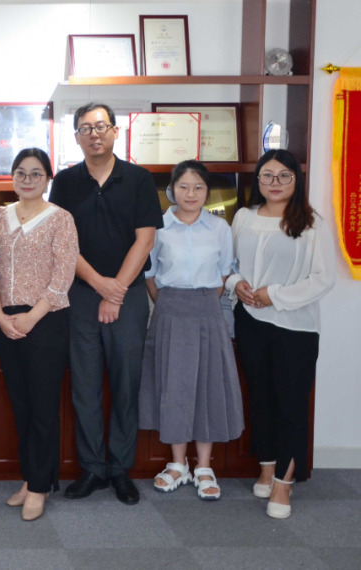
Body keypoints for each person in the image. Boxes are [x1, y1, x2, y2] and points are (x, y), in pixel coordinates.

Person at [49, 103, 162, 505]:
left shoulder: (139, 179)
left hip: (128, 297)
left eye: (101, 126)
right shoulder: (65, 182)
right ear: (76, 137)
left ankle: (120, 468)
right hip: (80, 295)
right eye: (85, 128)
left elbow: (145, 240)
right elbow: (63, 244)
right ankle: (93, 467)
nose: (94, 134)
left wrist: (116, 291)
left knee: (126, 383)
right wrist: (99, 285)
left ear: (115, 131)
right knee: (84, 386)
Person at [226, 149, 335, 519]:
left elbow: (323, 278)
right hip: (250, 321)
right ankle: (267, 466)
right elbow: (230, 264)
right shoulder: (244, 217)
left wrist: (274, 295)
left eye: (284, 175)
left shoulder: (311, 222)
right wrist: (237, 283)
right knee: (261, 397)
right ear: (257, 180)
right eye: (268, 175)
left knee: (291, 404)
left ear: (296, 180)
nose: (275, 183)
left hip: (295, 327)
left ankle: (284, 484)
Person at [138, 160, 244, 501]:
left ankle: (204, 466)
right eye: (183, 186)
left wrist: (200, 302)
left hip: (207, 311)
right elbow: (149, 274)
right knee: (174, 387)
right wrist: (171, 303)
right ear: (171, 190)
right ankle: (177, 464)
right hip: (169, 310)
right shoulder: (158, 226)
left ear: (207, 192)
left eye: (198, 187)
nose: (191, 193)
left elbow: (224, 272)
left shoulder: (220, 228)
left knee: (207, 386)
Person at [0, 148, 78, 522]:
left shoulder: (61, 218)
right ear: (12, 177)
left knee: (43, 406)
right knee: (21, 405)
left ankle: (40, 485)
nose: (27, 180)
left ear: (48, 178)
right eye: (21, 173)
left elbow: (64, 275)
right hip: (5, 322)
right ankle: (30, 478)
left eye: (36, 173)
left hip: (46, 320)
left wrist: (31, 317)